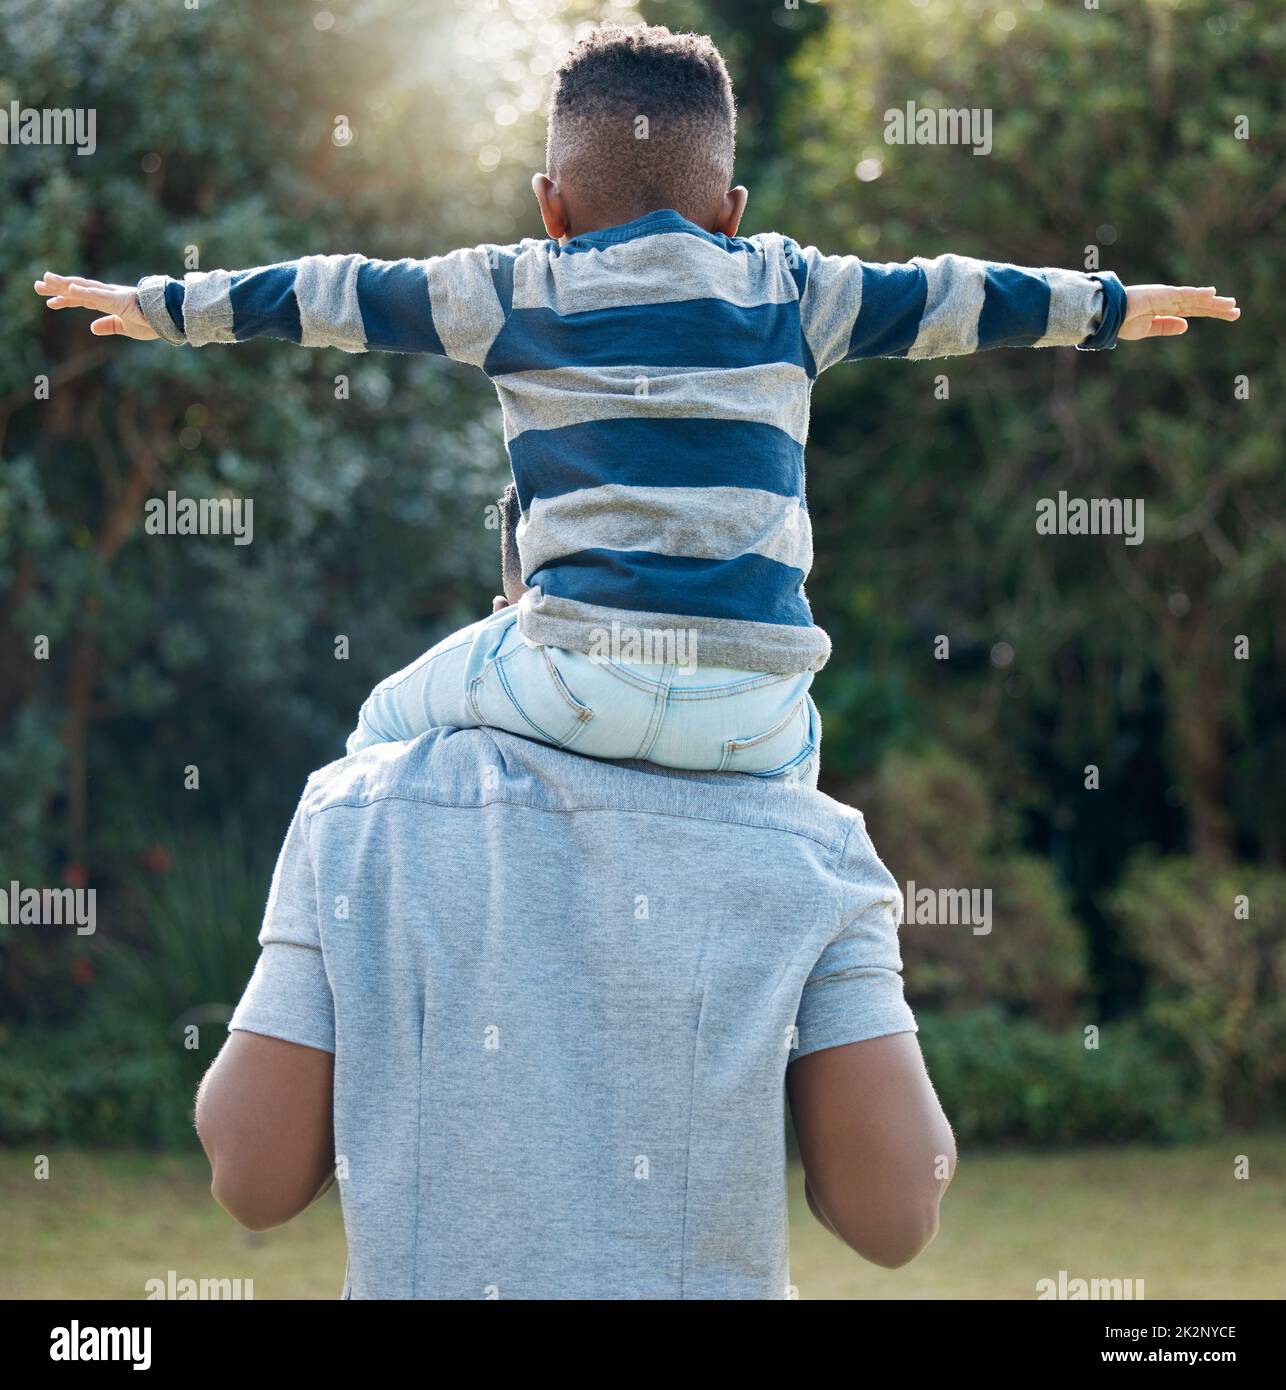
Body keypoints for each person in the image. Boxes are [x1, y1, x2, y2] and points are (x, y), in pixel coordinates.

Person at [34, 23, 1239, 780]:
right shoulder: (792, 288)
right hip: (766, 714)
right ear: (733, 208)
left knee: (373, 740)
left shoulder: (512, 287)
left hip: (579, 676)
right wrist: (1111, 302)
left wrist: (160, 304)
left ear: (549, 205)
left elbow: (327, 291)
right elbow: (959, 298)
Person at [191, 492, 956, 1300]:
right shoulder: (815, 851)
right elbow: (896, 1211)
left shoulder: (355, 812)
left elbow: (253, 1175)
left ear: (507, 622)